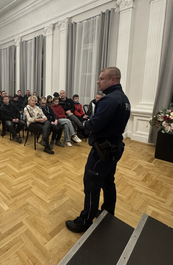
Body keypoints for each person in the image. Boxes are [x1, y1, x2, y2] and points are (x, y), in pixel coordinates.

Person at [65, 67, 131, 233]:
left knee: (91, 185)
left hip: (102, 151)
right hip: (114, 148)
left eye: (102, 78)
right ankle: (108, 212)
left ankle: (85, 220)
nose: (98, 81)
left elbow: (94, 124)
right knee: (108, 182)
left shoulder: (109, 100)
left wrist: (86, 124)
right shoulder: (123, 98)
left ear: (113, 80)